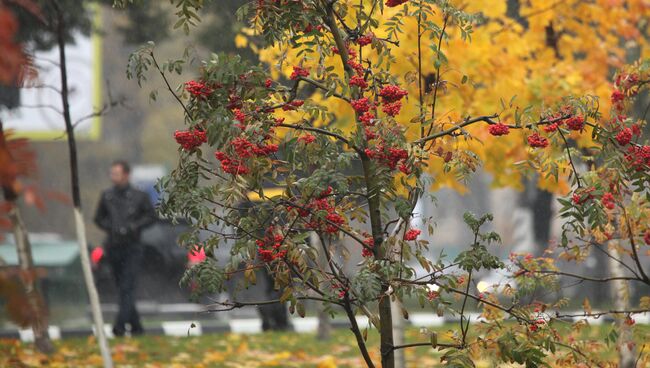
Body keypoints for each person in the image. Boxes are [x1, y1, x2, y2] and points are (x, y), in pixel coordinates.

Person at [94, 160, 155, 337]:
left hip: (132, 247)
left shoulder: (139, 196)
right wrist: (111, 227)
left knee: (128, 286)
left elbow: (150, 217)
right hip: (113, 246)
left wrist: (133, 227)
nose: (113, 177)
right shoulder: (107, 196)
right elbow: (98, 218)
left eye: (117, 173)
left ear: (126, 175)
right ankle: (136, 327)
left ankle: (119, 326)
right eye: (112, 173)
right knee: (122, 287)